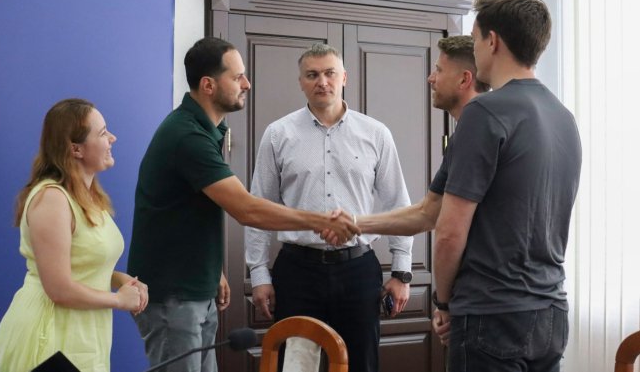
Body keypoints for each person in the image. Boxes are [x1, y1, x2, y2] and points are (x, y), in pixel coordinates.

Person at [127, 37, 359, 372]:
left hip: (194, 288)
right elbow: (246, 208)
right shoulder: (187, 136)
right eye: (237, 77)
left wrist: (213, 272)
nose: (247, 84)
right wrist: (322, 220)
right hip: (174, 296)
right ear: (208, 85)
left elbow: (190, 214)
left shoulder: (208, 129)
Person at [432, 0, 581, 372]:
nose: (475, 48)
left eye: (475, 39)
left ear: (492, 41)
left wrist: (443, 302)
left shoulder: (484, 112)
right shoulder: (564, 118)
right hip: (551, 314)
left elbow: (449, 232)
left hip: (492, 313)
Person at [244, 43, 412, 372]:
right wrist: (259, 275)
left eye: (330, 73)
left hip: (358, 271)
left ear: (344, 77)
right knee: (296, 366)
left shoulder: (376, 134)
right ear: (301, 82)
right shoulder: (278, 134)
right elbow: (259, 209)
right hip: (297, 273)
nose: (322, 82)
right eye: (312, 75)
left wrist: (401, 272)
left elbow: (399, 204)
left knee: (361, 364)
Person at [329, 35, 489, 346]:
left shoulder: (477, 129)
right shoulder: (545, 118)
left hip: (485, 305)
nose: (430, 78)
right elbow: (426, 213)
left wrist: (442, 301)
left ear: (464, 79)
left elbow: (446, 230)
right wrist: (356, 222)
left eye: (438, 70)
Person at [0, 98, 148, 372]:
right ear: (76, 149)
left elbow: (79, 264)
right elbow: (58, 288)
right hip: (48, 335)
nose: (112, 138)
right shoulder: (51, 198)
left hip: (85, 335)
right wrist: (118, 300)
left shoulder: (89, 197)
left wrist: (117, 279)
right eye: (103, 133)